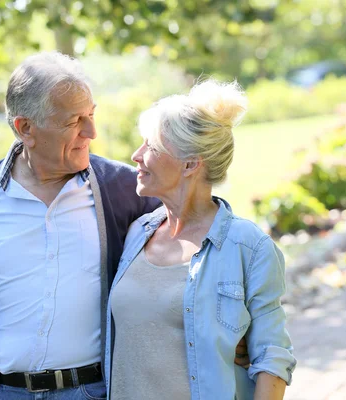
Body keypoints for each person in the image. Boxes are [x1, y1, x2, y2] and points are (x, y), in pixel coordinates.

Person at [0, 52, 248, 400]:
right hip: (4, 393)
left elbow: (203, 240)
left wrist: (237, 324)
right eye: (74, 121)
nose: (91, 131)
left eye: (91, 114)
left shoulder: (126, 191)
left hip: (97, 392)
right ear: (25, 129)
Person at [104, 80, 296, 399]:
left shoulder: (248, 247)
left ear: (190, 164)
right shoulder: (138, 233)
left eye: (151, 146)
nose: (136, 156)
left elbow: (272, 357)